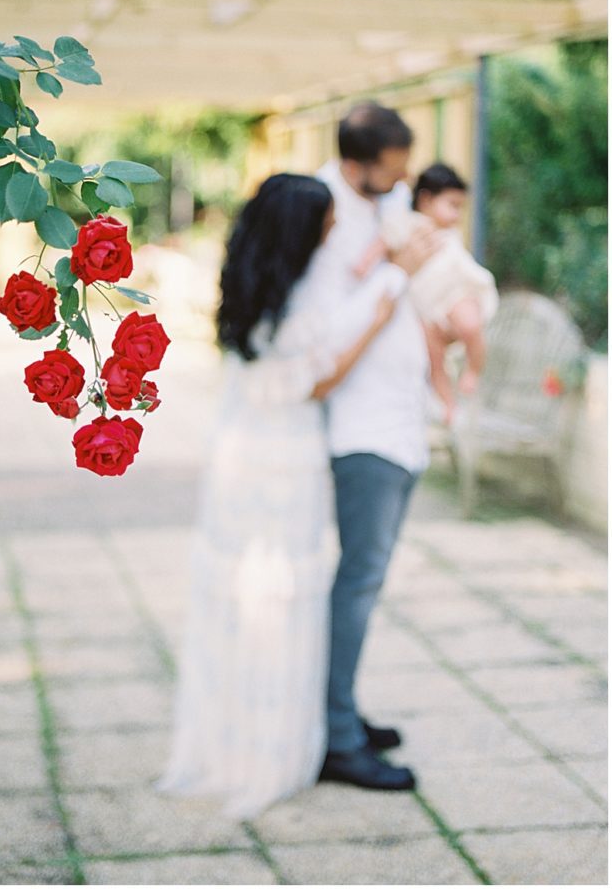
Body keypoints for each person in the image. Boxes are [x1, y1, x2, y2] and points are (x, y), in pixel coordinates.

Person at [158, 173, 411, 819]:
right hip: (284, 465)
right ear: (302, 230)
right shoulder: (294, 302)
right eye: (325, 220)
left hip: (239, 458)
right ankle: (279, 744)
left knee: (243, 600)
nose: (333, 228)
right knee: (280, 598)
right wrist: (375, 319)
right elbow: (314, 384)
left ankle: (251, 735)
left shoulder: (250, 285)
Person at [311, 101, 438, 791]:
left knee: (367, 580)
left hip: (399, 422)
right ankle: (334, 739)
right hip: (361, 430)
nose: (401, 180)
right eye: (390, 170)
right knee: (355, 585)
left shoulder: (378, 200)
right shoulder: (322, 212)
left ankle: (343, 713)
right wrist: (391, 269)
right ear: (357, 163)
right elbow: (325, 329)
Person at [354, 162, 498, 424]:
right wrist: (364, 264)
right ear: (426, 199)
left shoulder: (448, 232)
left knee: (470, 325)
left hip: (455, 292)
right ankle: (448, 405)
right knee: (433, 358)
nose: (457, 215)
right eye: (452, 205)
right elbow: (383, 242)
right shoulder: (407, 224)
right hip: (425, 306)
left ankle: (474, 370)